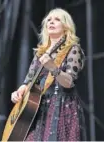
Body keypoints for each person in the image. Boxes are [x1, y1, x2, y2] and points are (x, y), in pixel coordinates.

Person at [11, 8, 86, 141]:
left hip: (61, 107)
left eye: (57, 19)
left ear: (66, 26)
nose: (51, 22)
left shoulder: (73, 49)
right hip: (37, 109)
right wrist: (19, 92)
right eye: (49, 20)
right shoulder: (40, 53)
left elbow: (68, 82)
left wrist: (53, 68)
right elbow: (28, 81)